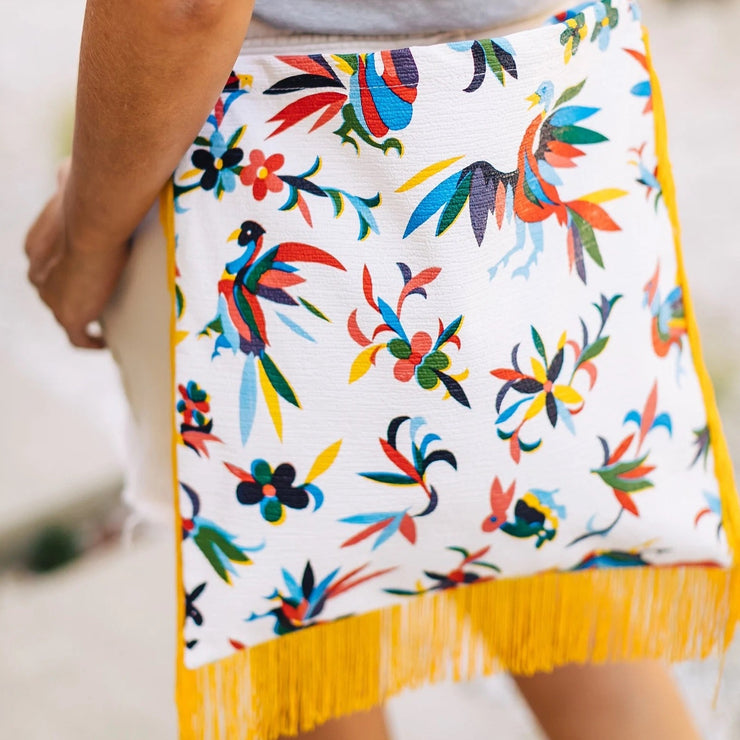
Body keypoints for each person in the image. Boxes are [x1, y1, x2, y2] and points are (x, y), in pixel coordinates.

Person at [23, 1, 713, 738]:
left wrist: (87, 237)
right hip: (541, 106)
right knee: (543, 526)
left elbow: (183, 10)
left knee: (296, 615)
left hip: (279, 162)